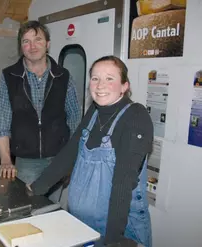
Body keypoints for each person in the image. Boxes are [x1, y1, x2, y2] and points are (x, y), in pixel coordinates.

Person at [29, 56, 153, 247]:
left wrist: (112, 240)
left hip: (117, 227)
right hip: (80, 223)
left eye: (109, 78)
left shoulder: (135, 117)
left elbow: (123, 182)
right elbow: (69, 153)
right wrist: (37, 188)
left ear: (124, 86)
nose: (100, 85)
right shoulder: (94, 112)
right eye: (95, 78)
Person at [0, 20, 81, 184]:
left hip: (59, 159)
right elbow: (0, 122)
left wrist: (71, 159)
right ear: (21, 47)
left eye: (38, 40)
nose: (32, 46)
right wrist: (5, 160)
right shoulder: (10, 77)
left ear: (47, 44)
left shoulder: (63, 76)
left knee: (52, 207)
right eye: (26, 41)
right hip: (26, 163)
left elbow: (74, 120)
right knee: (27, 206)